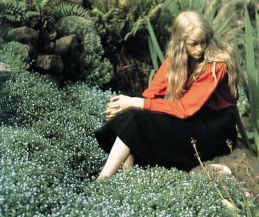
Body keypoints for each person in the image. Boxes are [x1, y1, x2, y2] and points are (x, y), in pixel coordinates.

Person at [94, 10, 239, 180]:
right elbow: (153, 92)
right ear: (180, 42)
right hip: (194, 118)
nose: (200, 49)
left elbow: (185, 108)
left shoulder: (217, 64)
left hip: (214, 129)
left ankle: (103, 180)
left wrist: (134, 104)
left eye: (204, 42)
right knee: (131, 111)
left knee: (134, 115)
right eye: (194, 43)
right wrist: (125, 105)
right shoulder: (176, 58)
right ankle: (128, 174)